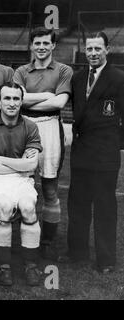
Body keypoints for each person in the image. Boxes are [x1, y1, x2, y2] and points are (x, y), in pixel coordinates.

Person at [64, 32, 124, 274]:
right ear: (85, 51)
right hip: (81, 152)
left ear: (107, 50)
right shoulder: (78, 78)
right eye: (89, 49)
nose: (93, 53)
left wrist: (115, 143)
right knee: (77, 205)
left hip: (106, 153)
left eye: (98, 48)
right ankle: (76, 253)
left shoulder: (119, 78)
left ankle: (106, 259)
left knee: (104, 207)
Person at [13, 27, 73, 260]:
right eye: (37, 43)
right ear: (31, 45)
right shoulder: (21, 70)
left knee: (49, 188)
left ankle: (46, 240)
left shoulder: (63, 70)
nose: (41, 47)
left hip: (50, 126)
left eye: (46, 43)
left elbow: (59, 103)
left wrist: (28, 101)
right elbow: (17, 99)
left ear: (53, 45)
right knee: (19, 181)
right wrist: (46, 96)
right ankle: (18, 236)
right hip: (23, 126)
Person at [0, 82, 42, 286]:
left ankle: (31, 266)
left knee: (28, 208)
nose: (12, 103)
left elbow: (31, 166)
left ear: (22, 101)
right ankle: (4, 266)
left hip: (22, 179)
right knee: (5, 208)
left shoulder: (30, 126)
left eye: (16, 98)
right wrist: (19, 164)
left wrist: (1, 159)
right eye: (7, 98)